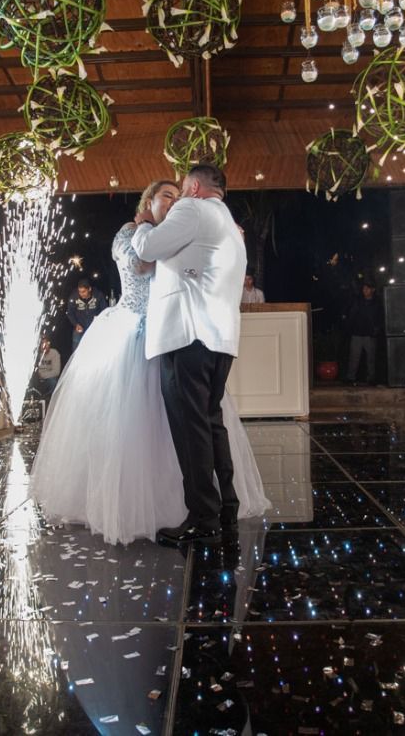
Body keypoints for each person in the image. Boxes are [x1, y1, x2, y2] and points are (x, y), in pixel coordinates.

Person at [29, 175, 268, 546]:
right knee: (156, 424)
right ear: (147, 203)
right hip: (135, 336)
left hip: (177, 336)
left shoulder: (182, 230)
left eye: (177, 195)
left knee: (193, 424)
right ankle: (174, 508)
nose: (174, 201)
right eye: (166, 196)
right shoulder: (132, 231)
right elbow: (139, 265)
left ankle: (206, 508)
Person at [134, 165, 255, 545]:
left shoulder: (192, 208)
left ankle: (203, 518)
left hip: (186, 336)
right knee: (211, 424)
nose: (180, 197)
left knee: (191, 431)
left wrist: (143, 224)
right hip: (219, 340)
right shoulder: (230, 226)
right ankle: (226, 507)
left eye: (183, 188)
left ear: (195, 186)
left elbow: (147, 248)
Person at [343, 282, 384, 385]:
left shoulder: (377, 303)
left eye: (367, 288)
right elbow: (351, 314)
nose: (365, 290)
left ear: (373, 290)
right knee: (354, 357)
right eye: (364, 288)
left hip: (370, 334)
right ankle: (350, 378)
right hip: (357, 333)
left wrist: (376, 329)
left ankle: (371, 378)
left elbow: (380, 317)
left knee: (371, 358)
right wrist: (350, 327)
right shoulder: (357, 301)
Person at [65, 279, 106, 351]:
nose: (81, 294)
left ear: (89, 289)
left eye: (83, 291)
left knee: (96, 347)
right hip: (80, 327)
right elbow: (70, 313)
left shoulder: (98, 295)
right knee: (76, 347)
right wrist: (76, 324)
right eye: (79, 291)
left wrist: (99, 321)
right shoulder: (73, 297)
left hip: (94, 327)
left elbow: (104, 310)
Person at [35, 334, 61, 399]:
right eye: (43, 343)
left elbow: (56, 372)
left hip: (48, 378)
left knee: (53, 382)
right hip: (36, 380)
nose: (45, 346)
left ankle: (51, 400)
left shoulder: (54, 353)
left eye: (47, 343)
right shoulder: (35, 354)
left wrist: (42, 375)